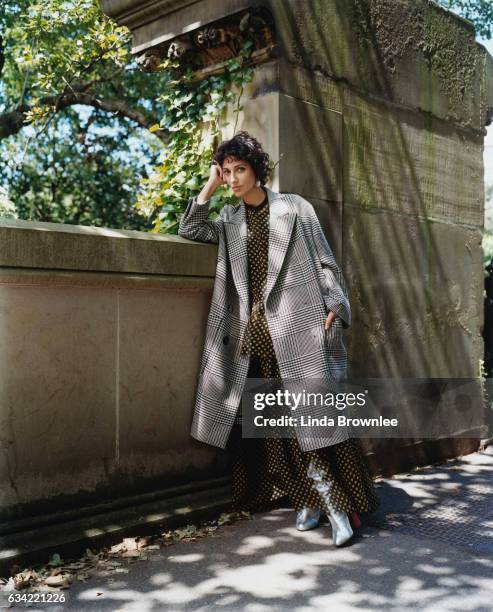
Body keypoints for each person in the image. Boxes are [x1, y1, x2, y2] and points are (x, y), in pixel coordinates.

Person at [178, 131, 379, 546]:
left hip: (298, 327)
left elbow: (326, 261)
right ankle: (309, 500)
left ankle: (336, 507)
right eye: (227, 172)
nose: (233, 179)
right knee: (276, 426)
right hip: (254, 336)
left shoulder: (295, 207)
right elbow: (189, 227)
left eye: (240, 170)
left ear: (257, 170)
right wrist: (210, 184)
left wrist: (335, 304)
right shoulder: (229, 221)